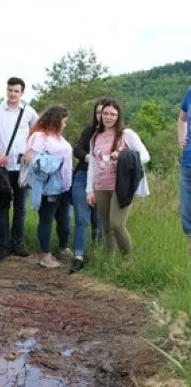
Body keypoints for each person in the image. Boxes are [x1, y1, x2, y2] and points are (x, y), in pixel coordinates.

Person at [86, 99, 150, 259]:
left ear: (118, 116)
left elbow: (145, 156)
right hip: (101, 185)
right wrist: (89, 189)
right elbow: (92, 164)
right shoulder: (95, 137)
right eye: (105, 113)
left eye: (113, 114)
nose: (108, 117)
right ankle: (110, 261)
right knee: (106, 226)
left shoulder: (127, 134)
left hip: (121, 186)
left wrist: (123, 156)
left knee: (117, 224)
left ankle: (128, 261)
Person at [0, 77, 39, 262]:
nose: (12, 94)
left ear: (22, 92)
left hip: (22, 167)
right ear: (6, 90)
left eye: (16, 91)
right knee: (2, 207)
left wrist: (30, 152)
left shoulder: (29, 112)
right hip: (3, 167)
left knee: (20, 208)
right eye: (10, 90)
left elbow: (38, 134)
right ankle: (3, 246)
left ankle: (18, 243)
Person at [25, 105, 73, 269]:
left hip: (65, 187)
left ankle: (63, 248)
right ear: (56, 120)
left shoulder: (59, 138)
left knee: (64, 220)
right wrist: (49, 162)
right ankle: (45, 254)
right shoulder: (40, 136)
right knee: (46, 219)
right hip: (49, 187)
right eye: (63, 121)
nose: (65, 125)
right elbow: (30, 158)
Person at [69, 99, 106, 273]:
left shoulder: (118, 135)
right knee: (82, 218)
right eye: (98, 112)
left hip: (104, 180)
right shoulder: (89, 131)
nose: (101, 116)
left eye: (104, 112)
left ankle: (99, 257)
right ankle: (78, 257)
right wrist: (89, 158)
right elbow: (77, 150)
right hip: (83, 176)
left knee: (98, 221)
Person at [178, 88, 191, 257]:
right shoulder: (189, 92)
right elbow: (182, 119)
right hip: (188, 164)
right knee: (187, 215)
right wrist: (182, 139)